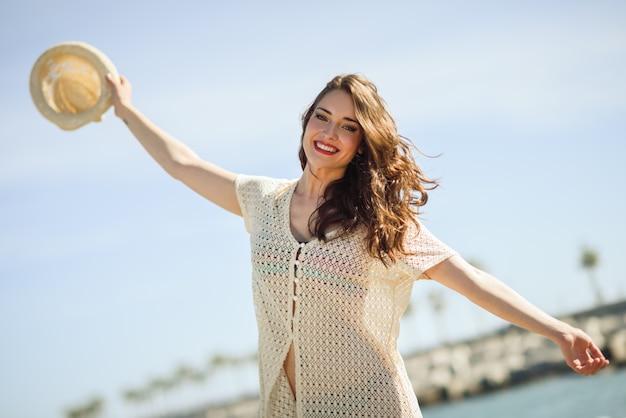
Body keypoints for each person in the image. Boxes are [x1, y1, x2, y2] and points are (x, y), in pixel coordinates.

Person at [106, 73, 609, 417]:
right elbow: (182, 164)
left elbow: (471, 281)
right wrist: (126, 111)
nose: (329, 133)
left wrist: (559, 331)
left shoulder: (379, 223)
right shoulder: (262, 201)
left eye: (348, 126)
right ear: (305, 122)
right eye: (322, 117)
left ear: (362, 143)